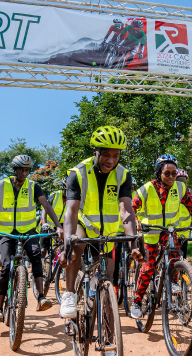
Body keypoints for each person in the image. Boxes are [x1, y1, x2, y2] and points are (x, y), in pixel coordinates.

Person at [58, 126, 141, 318]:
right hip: (83, 224)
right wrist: (67, 244)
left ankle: (109, 338)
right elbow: (71, 211)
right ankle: (69, 293)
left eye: (116, 155)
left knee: (108, 278)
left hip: (108, 232)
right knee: (76, 245)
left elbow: (126, 209)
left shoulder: (124, 175)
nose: (111, 160)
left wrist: (133, 243)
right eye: (105, 155)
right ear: (95, 151)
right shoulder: (77, 173)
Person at [0, 154, 63, 322]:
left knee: (36, 256)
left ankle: (41, 297)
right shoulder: (1, 185)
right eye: (21, 169)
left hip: (28, 230)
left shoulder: (33, 186)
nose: (24, 173)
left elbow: (46, 205)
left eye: (27, 170)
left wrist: (58, 226)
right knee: (6, 265)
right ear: (14, 169)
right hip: (5, 231)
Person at [130, 154, 192, 319]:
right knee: (148, 268)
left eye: (174, 174)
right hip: (150, 231)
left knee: (175, 251)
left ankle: (173, 280)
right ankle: (137, 301)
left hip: (168, 230)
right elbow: (131, 207)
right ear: (159, 172)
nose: (172, 177)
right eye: (167, 173)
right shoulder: (148, 188)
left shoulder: (180, 188)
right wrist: (136, 221)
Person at [40, 178, 67, 259]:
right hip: (48, 224)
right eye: (67, 190)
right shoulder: (55, 195)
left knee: (65, 247)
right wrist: (44, 223)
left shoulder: (72, 199)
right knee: (43, 250)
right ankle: (40, 267)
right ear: (63, 188)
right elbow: (45, 209)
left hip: (61, 225)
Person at [174, 168, 192, 259]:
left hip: (184, 231)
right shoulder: (168, 192)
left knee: (183, 256)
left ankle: (182, 272)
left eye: (184, 183)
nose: (182, 185)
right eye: (180, 182)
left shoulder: (191, 193)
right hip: (170, 230)